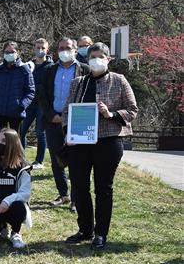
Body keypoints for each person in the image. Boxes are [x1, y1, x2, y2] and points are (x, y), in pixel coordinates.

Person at [63, 42, 138, 249]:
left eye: (100, 56)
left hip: (108, 141)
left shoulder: (119, 81)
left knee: (103, 188)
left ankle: (100, 233)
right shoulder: (78, 83)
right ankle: (85, 229)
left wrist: (112, 114)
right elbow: (67, 111)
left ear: (108, 59)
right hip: (80, 141)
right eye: (92, 56)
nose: (96, 60)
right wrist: (67, 131)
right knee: (79, 187)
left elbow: (132, 110)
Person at [38, 37, 90, 210]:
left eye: (67, 47)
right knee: (56, 159)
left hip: (76, 121)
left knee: (77, 160)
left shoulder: (84, 70)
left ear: (75, 50)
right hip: (53, 120)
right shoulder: (49, 70)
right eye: (60, 48)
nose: (64, 50)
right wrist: (51, 114)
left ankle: (76, 198)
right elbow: (42, 95)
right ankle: (63, 194)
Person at [0, 40, 35, 132]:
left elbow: (30, 92)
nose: (9, 54)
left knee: (16, 142)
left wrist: (21, 106)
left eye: (12, 52)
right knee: (0, 141)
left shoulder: (24, 70)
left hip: (17, 114)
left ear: (18, 52)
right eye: (7, 52)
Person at [19, 39, 53, 169]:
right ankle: (21, 158)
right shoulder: (28, 66)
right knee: (21, 131)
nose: (40, 50)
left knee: (40, 132)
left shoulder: (51, 66)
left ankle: (39, 161)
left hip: (43, 104)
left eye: (43, 48)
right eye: (38, 47)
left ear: (47, 50)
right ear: (34, 48)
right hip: (29, 103)